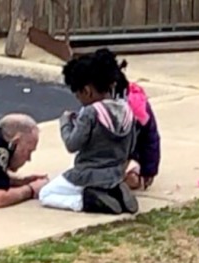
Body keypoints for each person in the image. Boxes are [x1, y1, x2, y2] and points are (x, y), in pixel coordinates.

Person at [38, 49, 138, 215]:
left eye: (78, 95)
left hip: (88, 173)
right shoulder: (126, 110)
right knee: (80, 179)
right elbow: (131, 147)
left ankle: (86, 200)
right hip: (116, 172)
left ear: (87, 91)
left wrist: (65, 123)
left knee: (46, 194)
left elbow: (72, 144)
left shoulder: (90, 113)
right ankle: (114, 191)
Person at [110, 55, 162, 191]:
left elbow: (151, 139)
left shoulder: (139, 107)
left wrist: (148, 171)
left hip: (132, 149)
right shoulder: (97, 107)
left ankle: (132, 172)